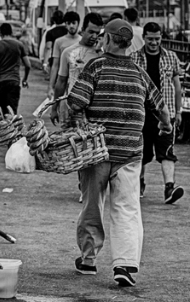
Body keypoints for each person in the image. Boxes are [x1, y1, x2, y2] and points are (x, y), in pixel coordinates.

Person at [68, 18, 171, 288]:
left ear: (109, 39)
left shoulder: (96, 66)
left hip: (98, 150)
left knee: (92, 205)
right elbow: (159, 105)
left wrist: (79, 122)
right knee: (126, 208)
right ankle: (124, 264)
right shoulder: (138, 72)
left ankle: (89, 260)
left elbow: (76, 101)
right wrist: (166, 124)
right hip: (130, 151)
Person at [132, 22, 184, 204]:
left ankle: (169, 187)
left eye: (157, 38)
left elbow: (177, 87)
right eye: (150, 39)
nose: (154, 42)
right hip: (141, 113)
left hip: (165, 112)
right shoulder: (134, 59)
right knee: (142, 152)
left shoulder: (171, 57)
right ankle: (139, 183)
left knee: (167, 150)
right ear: (144, 37)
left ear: (161, 37)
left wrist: (178, 111)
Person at [51, 13, 104, 124]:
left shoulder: (101, 55)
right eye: (91, 32)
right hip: (73, 110)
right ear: (83, 29)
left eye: (97, 33)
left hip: (96, 111)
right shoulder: (68, 52)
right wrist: (54, 108)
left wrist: (100, 53)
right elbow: (61, 82)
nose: (94, 36)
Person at [0, 22, 30, 116]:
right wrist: (25, 79)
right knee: (12, 111)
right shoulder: (19, 45)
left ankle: (4, 128)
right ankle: (12, 128)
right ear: (11, 32)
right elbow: (28, 65)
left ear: (0, 33)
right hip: (14, 81)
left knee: (2, 111)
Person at [48, 11, 82, 94]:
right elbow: (55, 65)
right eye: (68, 23)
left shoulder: (82, 41)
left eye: (74, 23)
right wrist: (50, 87)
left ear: (78, 24)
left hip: (79, 82)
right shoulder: (59, 42)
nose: (71, 26)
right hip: (62, 81)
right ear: (65, 24)